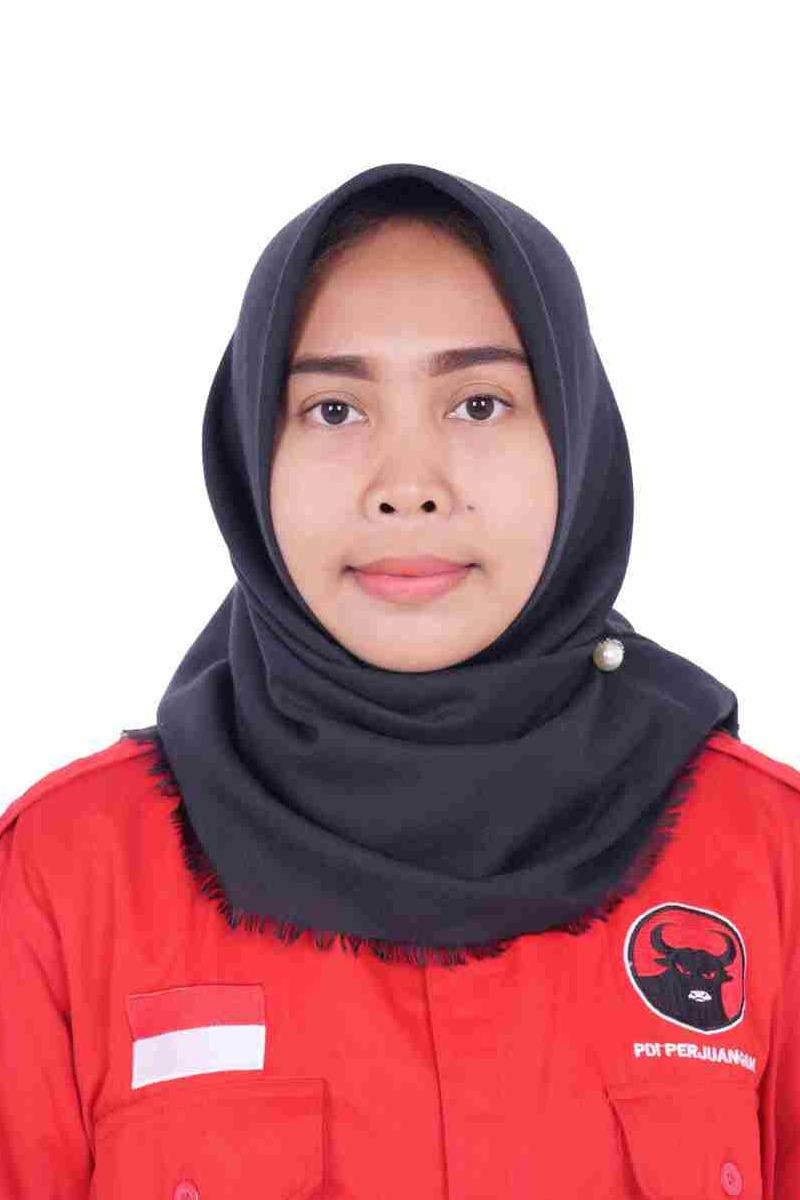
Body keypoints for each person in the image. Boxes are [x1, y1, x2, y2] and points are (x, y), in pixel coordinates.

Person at [1, 162, 798, 1198]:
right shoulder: (64, 880)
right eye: (334, 410)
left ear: (575, 441)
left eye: (479, 403)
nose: (408, 488)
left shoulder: (766, 858)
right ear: (250, 457)